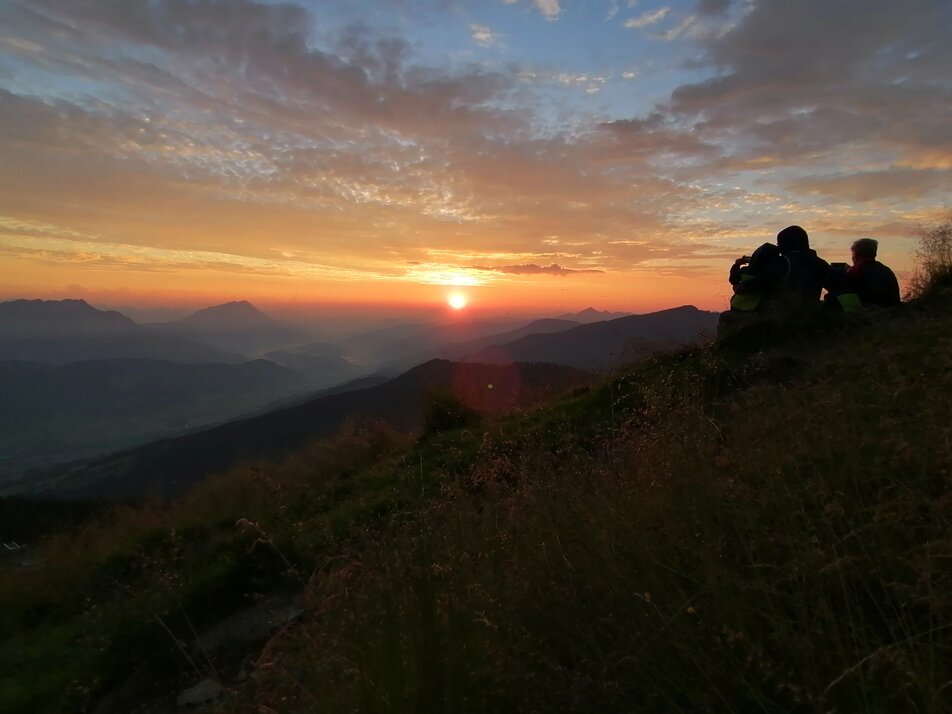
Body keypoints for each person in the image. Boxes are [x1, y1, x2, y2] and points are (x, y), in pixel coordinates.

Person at [732, 225, 830, 305]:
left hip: (784, 317)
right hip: (811, 316)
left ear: (786, 243)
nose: (778, 247)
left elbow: (757, 282)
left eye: (779, 243)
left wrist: (738, 288)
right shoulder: (821, 263)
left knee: (726, 317)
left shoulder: (783, 262)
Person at [846, 238, 901, 307]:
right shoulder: (886, 270)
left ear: (856, 255)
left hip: (871, 313)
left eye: (853, 254)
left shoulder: (856, 271)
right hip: (891, 312)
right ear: (874, 254)